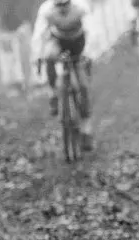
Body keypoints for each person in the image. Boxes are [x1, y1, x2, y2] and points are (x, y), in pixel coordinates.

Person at [32, 0, 93, 145]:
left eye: (65, 5)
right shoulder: (46, 9)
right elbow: (39, 34)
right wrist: (37, 56)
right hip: (58, 41)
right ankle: (53, 92)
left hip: (78, 43)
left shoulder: (81, 7)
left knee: (83, 87)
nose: (62, 9)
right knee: (49, 56)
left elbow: (92, 29)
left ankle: (86, 130)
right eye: (59, 6)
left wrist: (89, 53)